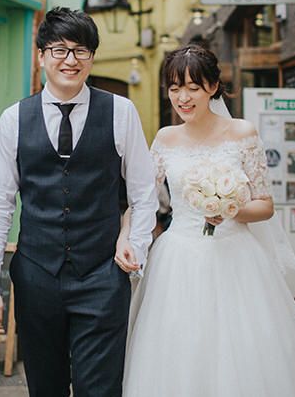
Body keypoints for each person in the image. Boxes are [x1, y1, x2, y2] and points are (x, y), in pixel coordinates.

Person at [0, 7, 158, 397]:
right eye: (59, 50)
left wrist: (135, 244)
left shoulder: (120, 112)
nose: (70, 60)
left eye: (81, 51)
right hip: (36, 276)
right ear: (41, 56)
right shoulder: (13, 119)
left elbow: (144, 195)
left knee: (101, 389)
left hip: (102, 276)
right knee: (46, 387)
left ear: (92, 57)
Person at [121, 44, 295, 396]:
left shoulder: (243, 134)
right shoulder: (165, 139)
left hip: (237, 258)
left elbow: (264, 204)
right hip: (178, 258)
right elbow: (142, 201)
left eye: (193, 87)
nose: (182, 97)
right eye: (174, 88)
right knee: (178, 349)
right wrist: (126, 234)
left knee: (239, 352)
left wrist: (231, 210)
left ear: (213, 87)